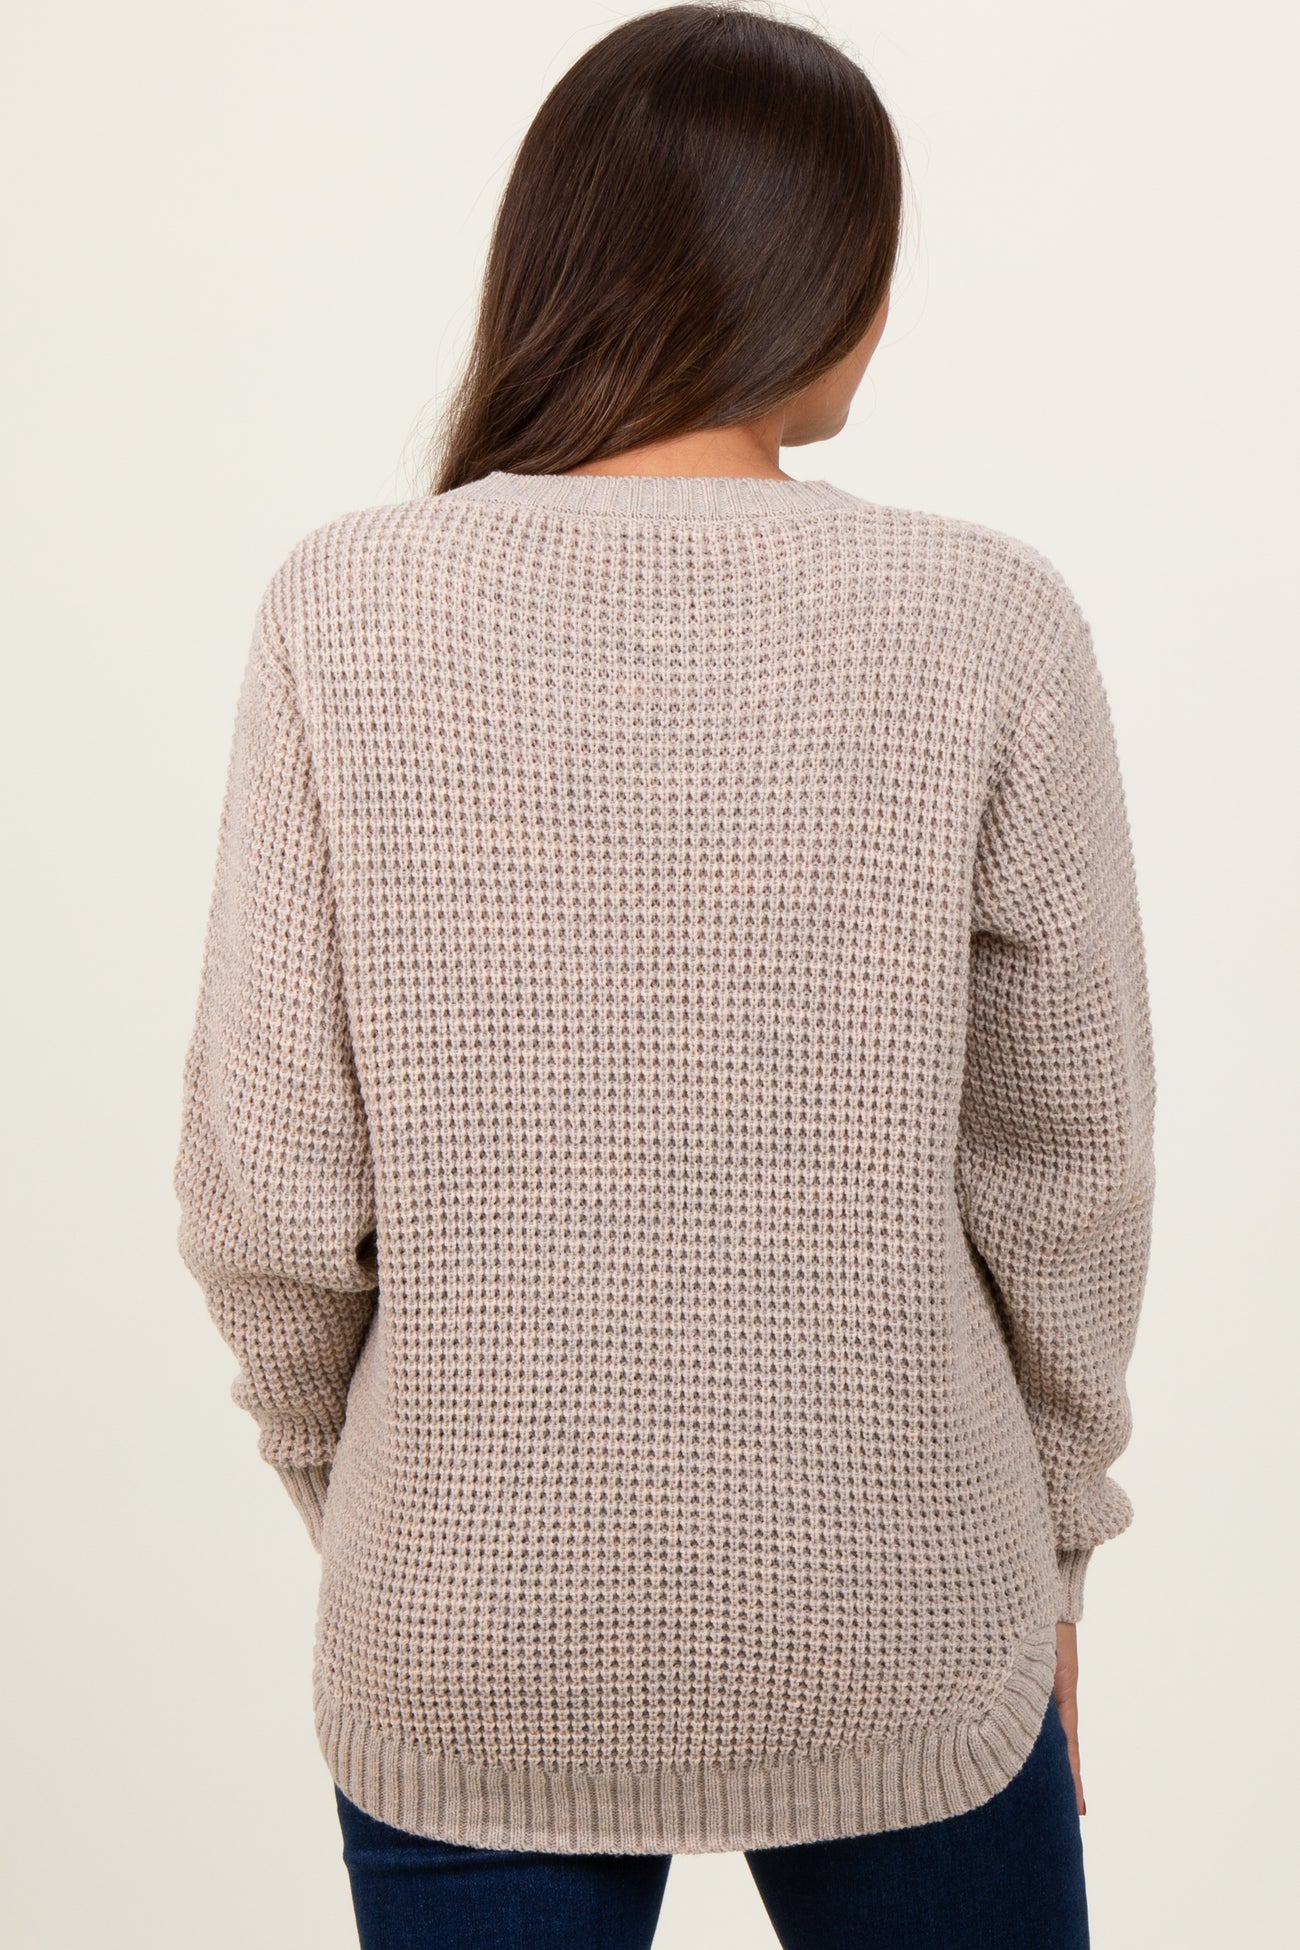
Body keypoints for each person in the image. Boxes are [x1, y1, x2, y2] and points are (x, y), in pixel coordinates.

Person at [172, 6, 1156, 1946]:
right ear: (819, 281)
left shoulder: (342, 608)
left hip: (462, 1617)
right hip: (905, 1606)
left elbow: (264, 1195)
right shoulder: (985, 619)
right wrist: (1052, 1552)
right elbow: (1069, 1174)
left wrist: (376, 1502)